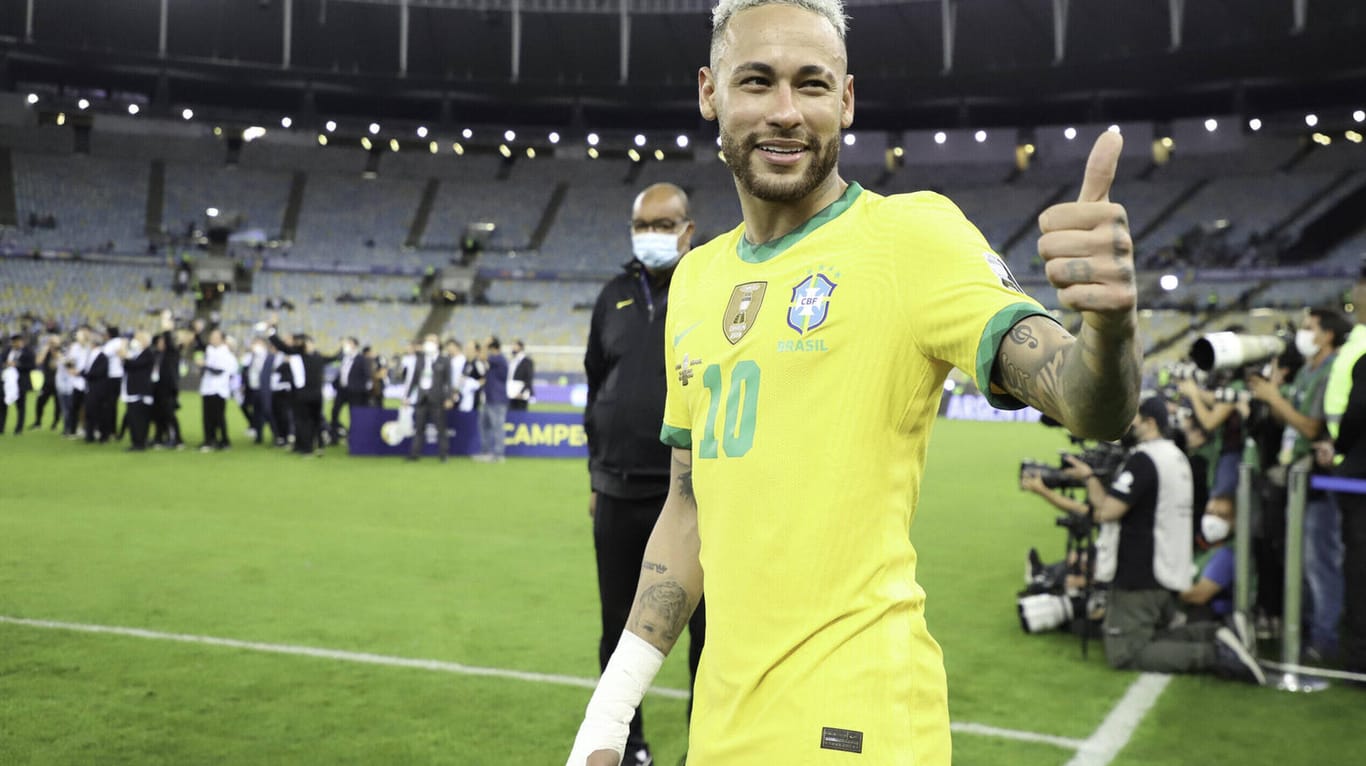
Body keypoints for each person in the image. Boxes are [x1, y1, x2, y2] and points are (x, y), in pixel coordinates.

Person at [568, 1, 1145, 762]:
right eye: (757, 81)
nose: (784, 112)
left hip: (858, 723)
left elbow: (1085, 401)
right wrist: (610, 712)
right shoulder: (699, 279)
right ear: (711, 93)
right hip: (723, 725)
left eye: (811, 84)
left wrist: (1108, 327)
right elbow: (688, 508)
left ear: (845, 100)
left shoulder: (912, 237)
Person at [583, 183, 708, 765]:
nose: (653, 235)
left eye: (665, 224)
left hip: (694, 497)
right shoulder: (612, 296)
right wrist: (593, 476)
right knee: (618, 629)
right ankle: (628, 747)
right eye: (645, 225)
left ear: (688, 229)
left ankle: (708, 748)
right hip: (617, 490)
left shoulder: (711, 285)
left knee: (709, 640)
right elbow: (594, 383)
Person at [1018, 399, 1261, 684]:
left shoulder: (1145, 459)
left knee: (1126, 652)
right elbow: (1110, 505)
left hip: (1139, 573)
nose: (1127, 426)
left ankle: (1215, 654)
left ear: (1150, 423)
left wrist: (1051, 490)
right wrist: (1089, 477)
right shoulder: (1175, 456)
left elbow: (1106, 512)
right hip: (1165, 567)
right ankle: (1219, 632)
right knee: (1154, 634)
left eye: (1133, 419)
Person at [1248, 308, 1353, 660]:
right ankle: (1307, 628)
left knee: (1319, 559)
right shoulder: (1309, 371)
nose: (1303, 335)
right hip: (1294, 476)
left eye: (1310, 328)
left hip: (1320, 479)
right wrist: (1271, 393)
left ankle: (1325, 640)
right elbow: (1289, 418)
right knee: (1301, 559)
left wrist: (1275, 399)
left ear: (1326, 335)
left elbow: (1311, 427)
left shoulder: (1333, 369)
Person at [1321, 260, 1366, 681]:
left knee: (1356, 565)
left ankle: (1357, 657)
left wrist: (1338, 450)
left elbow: (1354, 417)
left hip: (1356, 473)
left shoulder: (1362, 351)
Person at [405, 334, 454, 462]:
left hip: (437, 399)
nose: (429, 343)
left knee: (440, 428)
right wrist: (407, 396)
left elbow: (448, 381)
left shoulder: (444, 360)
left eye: (432, 341)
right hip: (422, 398)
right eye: (427, 340)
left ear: (438, 343)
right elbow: (414, 379)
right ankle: (414, 454)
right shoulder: (420, 359)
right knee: (419, 428)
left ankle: (444, 454)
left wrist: (449, 398)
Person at [198, 329, 238, 451]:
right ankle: (209, 439)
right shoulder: (210, 351)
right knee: (207, 417)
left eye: (216, 336)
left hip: (219, 389)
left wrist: (205, 365)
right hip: (207, 388)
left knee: (219, 417)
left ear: (222, 339)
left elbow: (220, 371)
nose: (213, 338)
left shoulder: (226, 354)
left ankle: (224, 440)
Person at [120, 331, 157, 452]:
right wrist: (126, 357)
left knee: (139, 419)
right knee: (133, 418)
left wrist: (125, 356)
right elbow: (127, 367)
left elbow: (135, 365)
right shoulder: (135, 353)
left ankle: (140, 443)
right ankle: (136, 441)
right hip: (133, 391)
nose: (135, 341)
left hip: (141, 392)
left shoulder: (148, 353)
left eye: (138, 338)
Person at [475, 337, 509, 462]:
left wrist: (484, 344)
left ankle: (499, 454)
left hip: (497, 399)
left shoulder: (499, 358)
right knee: (484, 426)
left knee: (497, 427)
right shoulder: (495, 361)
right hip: (489, 398)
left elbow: (482, 357)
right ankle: (486, 453)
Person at [331, 336, 370, 442]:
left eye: (348, 343)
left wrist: (360, 389)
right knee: (334, 412)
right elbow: (342, 373)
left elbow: (366, 375)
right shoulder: (345, 358)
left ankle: (353, 437)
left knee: (353, 415)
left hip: (354, 392)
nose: (346, 345)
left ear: (354, 345)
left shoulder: (361, 359)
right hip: (342, 390)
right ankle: (334, 436)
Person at [2, 333, 36, 435]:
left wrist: (17, 365)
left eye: (17, 341)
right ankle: (1, 427)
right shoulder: (8, 350)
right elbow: (2, 360)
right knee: (2, 405)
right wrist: (5, 364)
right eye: (13, 342)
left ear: (22, 341)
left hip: (21, 382)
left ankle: (19, 428)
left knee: (20, 406)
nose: (15, 344)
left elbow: (32, 366)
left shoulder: (28, 351)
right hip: (6, 382)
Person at [507, 340, 535, 411]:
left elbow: (529, 378)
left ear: (520, 347)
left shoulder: (527, 361)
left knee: (520, 416)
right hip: (511, 393)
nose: (512, 348)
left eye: (514, 346)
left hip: (521, 395)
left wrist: (521, 392)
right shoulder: (512, 361)